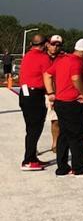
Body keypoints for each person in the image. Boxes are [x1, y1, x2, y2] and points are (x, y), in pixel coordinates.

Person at [47, 39, 83, 176]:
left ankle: (62, 167)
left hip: (60, 102)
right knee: (77, 135)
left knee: (64, 135)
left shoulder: (62, 60)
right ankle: (79, 167)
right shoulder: (77, 61)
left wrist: (51, 93)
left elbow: (47, 74)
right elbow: (75, 78)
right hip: (73, 102)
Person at [17, 34, 52, 171]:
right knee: (35, 128)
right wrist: (51, 93)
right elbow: (48, 76)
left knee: (31, 127)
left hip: (25, 92)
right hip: (34, 94)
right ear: (43, 45)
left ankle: (32, 157)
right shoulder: (43, 58)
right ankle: (28, 160)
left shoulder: (28, 55)